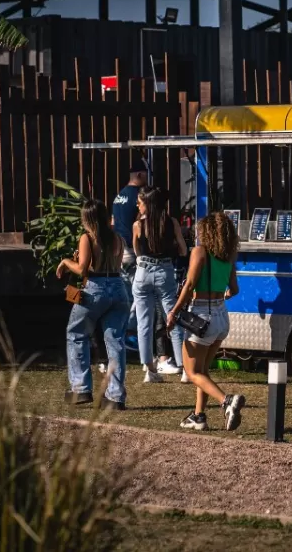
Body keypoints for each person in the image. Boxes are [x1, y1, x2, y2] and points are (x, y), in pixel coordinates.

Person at [168, 212, 245, 431]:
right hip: (221, 317)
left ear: (207, 232)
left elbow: (190, 284)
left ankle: (226, 401)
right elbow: (235, 289)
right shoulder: (228, 256)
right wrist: (219, 296)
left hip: (202, 316)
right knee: (203, 370)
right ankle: (198, 416)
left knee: (192, 372)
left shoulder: (199, 252)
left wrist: (174, 311)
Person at [59, 199, 129, 410]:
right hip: (118, 288)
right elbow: (111, 264)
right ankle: (115, 397)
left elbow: (82, 270)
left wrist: (65, 262)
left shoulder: (87, 238)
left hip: (95, 289)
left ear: (87, 219)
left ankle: (80, 388)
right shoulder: (118, 238)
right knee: (115, 341)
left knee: (76, 333)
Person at [132, 186, 188, 383]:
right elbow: (183, 250)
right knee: (173, 318)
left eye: (140, 202)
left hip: (143, 272)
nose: (137, 205)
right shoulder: (171, 223)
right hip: (164, 271)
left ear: (148, 203)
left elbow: (137, 251)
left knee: (143, 323)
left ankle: (150, 369)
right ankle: (184, 368)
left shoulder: (138, 225)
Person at [111, 158, 148, 367]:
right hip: (132, 251)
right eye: (146, 175)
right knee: (138, 294)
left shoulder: (119, 196)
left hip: (119, 250)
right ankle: (130, 336)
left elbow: (112, 222)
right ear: (140, 175)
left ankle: (122, 334)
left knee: (126, 295)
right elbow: (140, 222)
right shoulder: (137, 196)